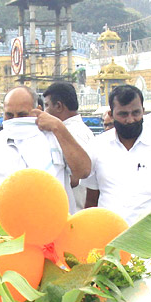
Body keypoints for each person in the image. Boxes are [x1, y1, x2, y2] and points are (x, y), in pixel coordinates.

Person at [83, 86, 151, 223]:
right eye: (123, 114)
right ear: (111, 114)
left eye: (136, 113)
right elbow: (92, 199)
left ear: (143, 112)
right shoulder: (97, 146)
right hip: (109, 237)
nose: (130, 120)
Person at [0, 85, 91, 194]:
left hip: (52, 216)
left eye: (22, 115)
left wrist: (59, 128)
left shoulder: (56, 138)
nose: (15, 120)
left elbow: (83, 172)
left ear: (38, 110)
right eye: (9, 115)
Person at [42, 81, 95, 212]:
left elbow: (78, 176)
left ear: (59, 106)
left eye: (47, 105)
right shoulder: (79, 130)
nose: (45, 111)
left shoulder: (72, 133)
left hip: (73, 211)